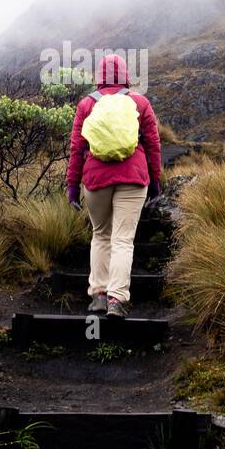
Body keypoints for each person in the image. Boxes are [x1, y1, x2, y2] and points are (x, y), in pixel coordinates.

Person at [66, 53, 162, 316]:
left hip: (96, 179)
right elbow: (153, 145)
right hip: (133, 177)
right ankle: (117, 300)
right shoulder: (140, 103)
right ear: (126, 75)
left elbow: (77, 148)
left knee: (100, 235)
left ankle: (98, 295)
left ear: (100, 77)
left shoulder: (87, 105)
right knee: (123, 240)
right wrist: (155, 181)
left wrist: (72, 185)